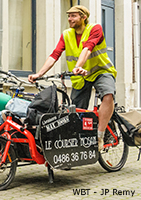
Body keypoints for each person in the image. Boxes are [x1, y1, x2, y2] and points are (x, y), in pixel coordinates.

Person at [28, 5, 117, 151]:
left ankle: (100, 136)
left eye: (73, 16)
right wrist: (39, 74)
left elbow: (88, 48)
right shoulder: (66, 35)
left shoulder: (95, 29)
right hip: (80, 77)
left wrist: (77, 66)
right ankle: (76, 145)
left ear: (83, 17)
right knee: (75, 113)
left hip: (101, 71)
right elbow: (55, 54)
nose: (70, 19)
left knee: (108, 95)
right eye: (69, 16)